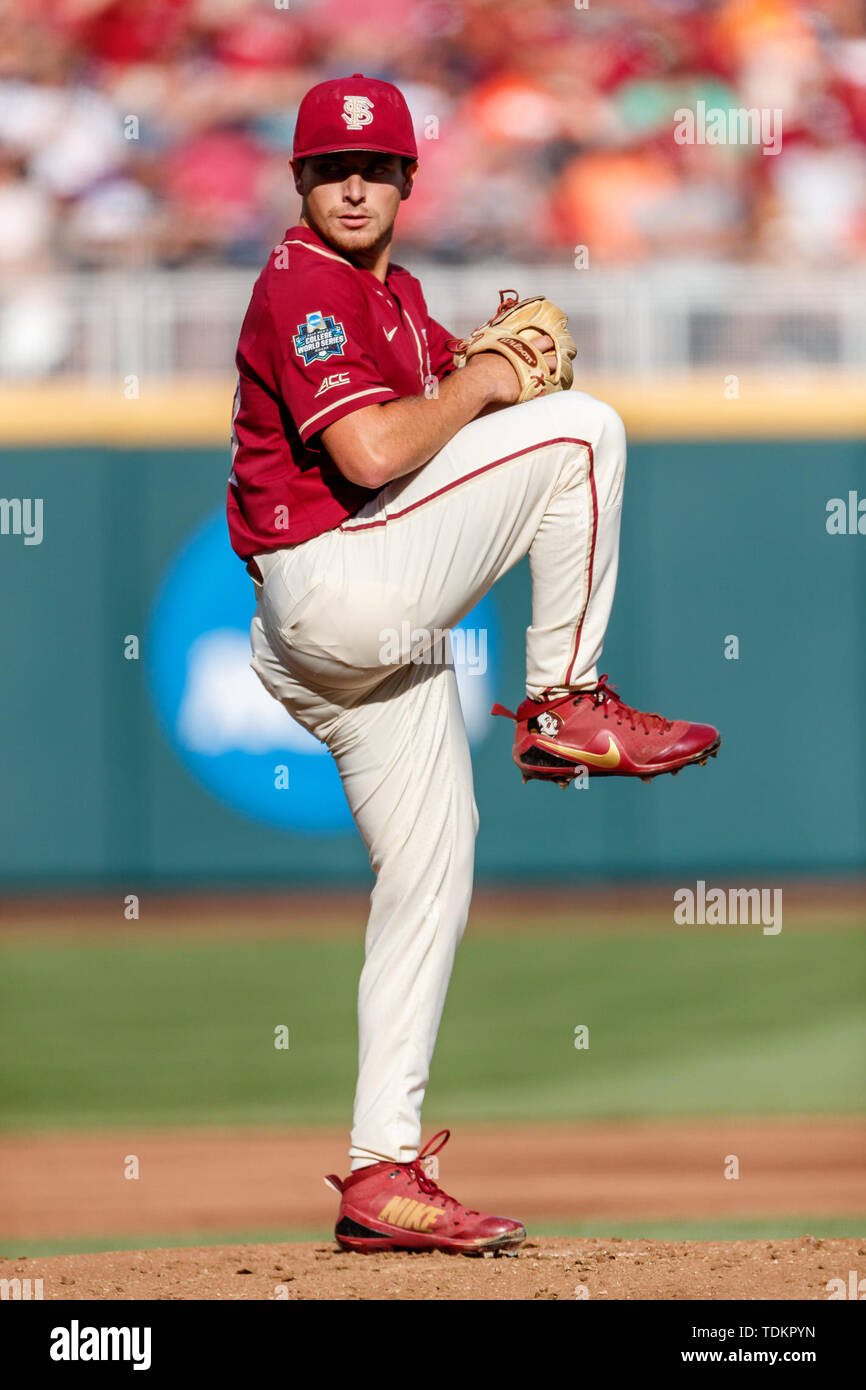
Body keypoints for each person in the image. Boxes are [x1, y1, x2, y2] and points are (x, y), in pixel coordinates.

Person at [227, 74, 720, 1257]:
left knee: (428, 879)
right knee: (584, 431)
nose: (354, 183)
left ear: (405, 179)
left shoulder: (394, 301)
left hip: (361, 644)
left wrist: (497, 361)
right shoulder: (306, 285)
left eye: (376, 166)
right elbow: (374, 442)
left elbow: (483, 392)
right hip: (333, 589)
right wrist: (496, 379)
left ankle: (379, 1172)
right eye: (332, 167)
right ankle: (563, 701)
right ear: (301, 181)